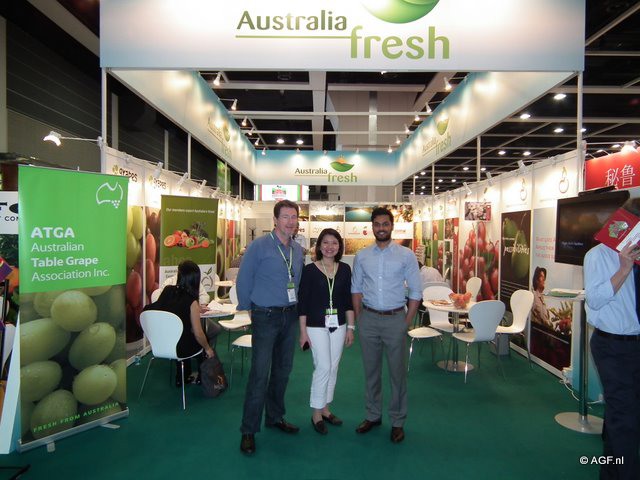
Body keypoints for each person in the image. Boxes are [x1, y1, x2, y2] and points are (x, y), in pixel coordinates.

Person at [236, 199, 305, 455]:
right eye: (285, 217)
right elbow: (244, 278)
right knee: (259, 374)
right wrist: (248, 307)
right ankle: (248, 430)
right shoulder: (259, 246)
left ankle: (275, 417)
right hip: (265, 316)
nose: (290, 222)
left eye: (294, 217)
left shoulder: (297, 250)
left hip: (289, 316)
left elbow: (297, 282)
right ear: (275, 220)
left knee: (283, 371)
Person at [351, 207, 422, 444]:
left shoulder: (406, 255)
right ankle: (373, 415)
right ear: (372, 227)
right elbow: (356, 289)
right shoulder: (362, 256)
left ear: (392, 226)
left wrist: (406, 322)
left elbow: (416, 291)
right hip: (369, 319)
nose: (381, 228)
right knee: (371, 372)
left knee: (397, 374)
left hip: (395, 320)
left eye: (385, 224)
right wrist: (360, 318)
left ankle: (398, 421)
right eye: (377, 224)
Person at [584, 199, 640, 480]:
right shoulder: (598, 256)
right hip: (613, 346)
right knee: (625, 418)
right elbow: (594, 300)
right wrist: (624, 269)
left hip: (635, 344)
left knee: (624, 414)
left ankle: (613, 470)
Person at [298, 228, 355, 435]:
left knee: (333, 367)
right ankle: (316, 413)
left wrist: (351, 327)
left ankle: (325, 409)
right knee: (322, 366)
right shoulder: (310, 270)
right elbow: (303, 303)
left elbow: (348, 301)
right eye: (326, 242)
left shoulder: (345, 269)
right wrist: (302, 332)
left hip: (338, 324)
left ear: (339, 246)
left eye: (334, 243)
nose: (330, 247)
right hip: (315, 325)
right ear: (319, 246)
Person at [144, 260, 215, 385]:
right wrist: (208, 349)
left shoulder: (167, 291)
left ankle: (181, 377)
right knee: (202, 339)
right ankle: (202, 377)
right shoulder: (191, 301)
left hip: (161, 342)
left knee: (183, 335)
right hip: (180, 348)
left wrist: (196, 308)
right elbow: (198, 333)